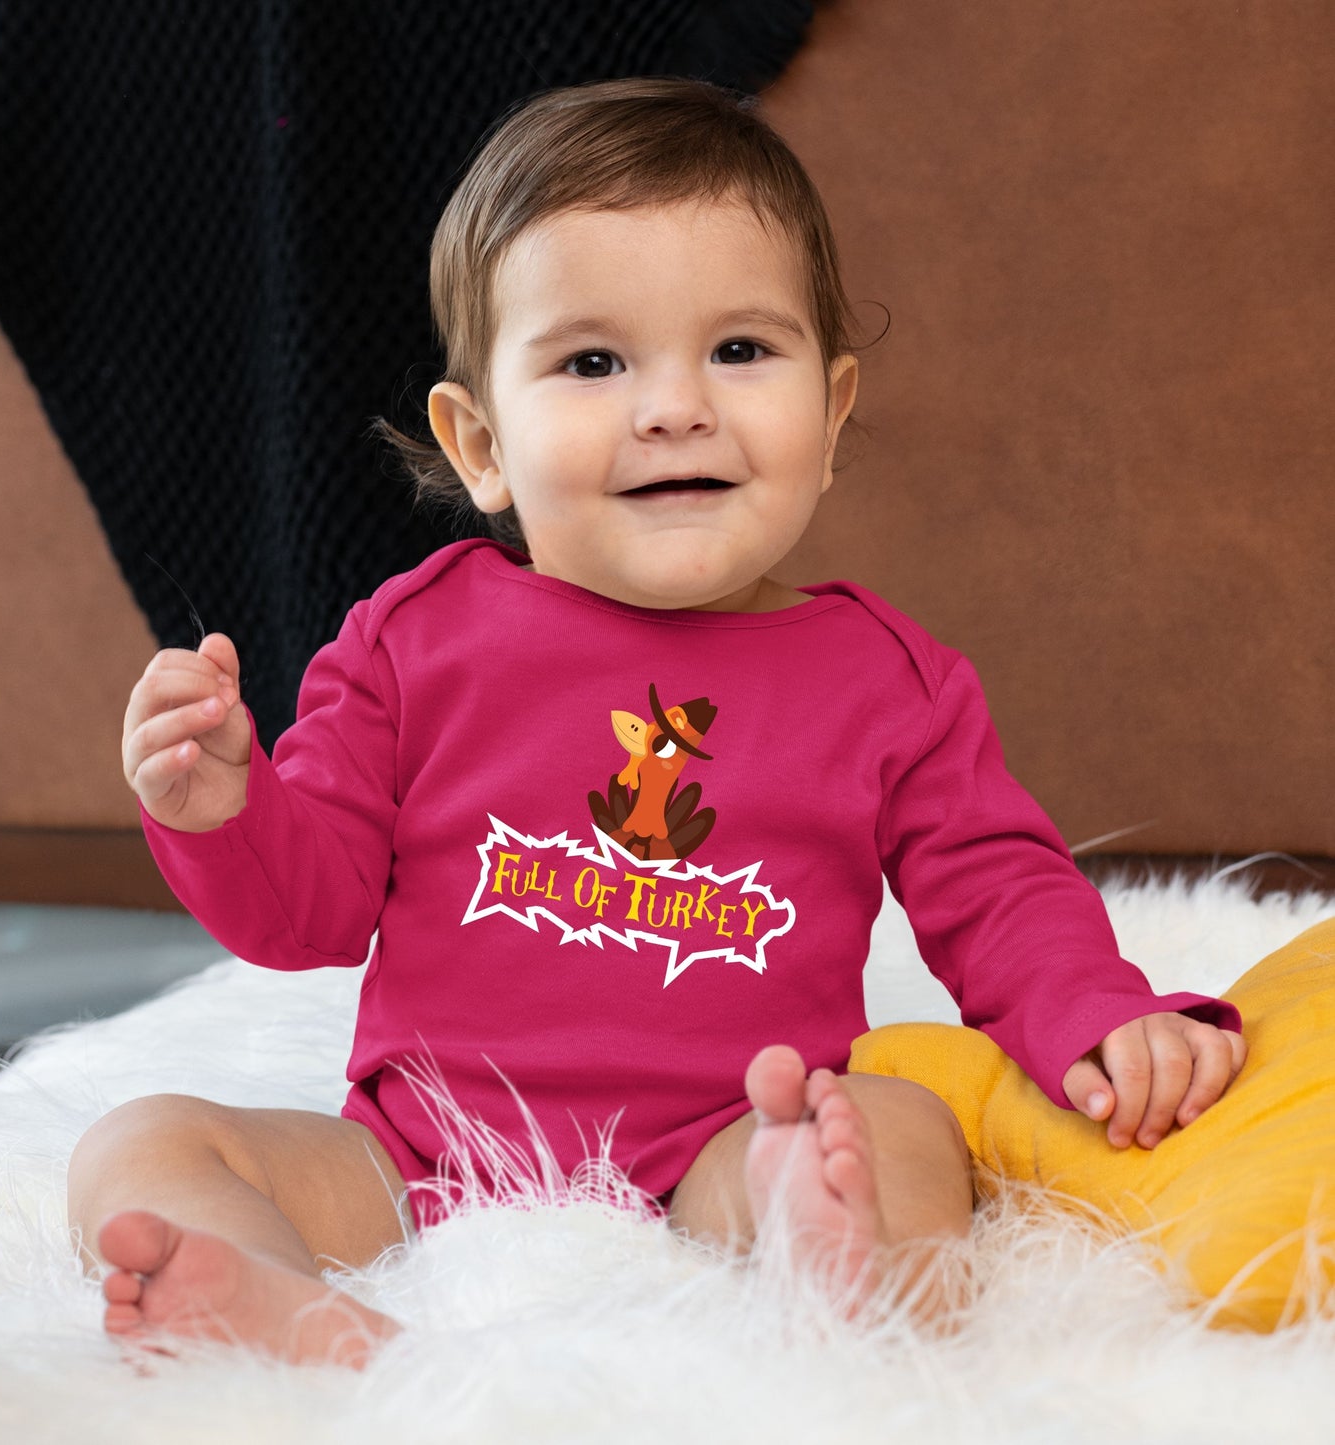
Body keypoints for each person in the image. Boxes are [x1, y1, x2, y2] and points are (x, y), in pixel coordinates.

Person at [71, 77, 1246, 1366]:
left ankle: (846, 1281)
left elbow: (999, 887)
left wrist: (1095, 1013)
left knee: (898, 1128)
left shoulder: (884, 681)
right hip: (422, 1153)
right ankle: (284, 1311)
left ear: (832, 414)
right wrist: (228, 810)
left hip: (727, 1143)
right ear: (481, 446)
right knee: (141, 1144)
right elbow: (311, 915)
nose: (676, 405)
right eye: (593, 362)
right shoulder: (413, 640)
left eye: (740, 351)